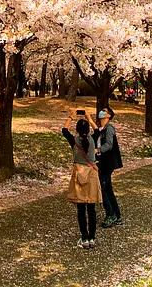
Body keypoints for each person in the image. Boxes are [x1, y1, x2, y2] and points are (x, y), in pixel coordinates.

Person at [61, 112, 101, 249]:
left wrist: (71, 116)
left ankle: (84, 237)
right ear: (88, 129)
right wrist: (89, 118)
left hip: (79, 174)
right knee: (91, 209)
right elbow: (97, 130)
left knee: (81, 209)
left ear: (77, 130)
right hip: (92, 175)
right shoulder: (93, 139)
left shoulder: (74, 141)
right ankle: (92, 238)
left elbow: (64, 130)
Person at [94, 107, 123, 227]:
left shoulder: (109, 128)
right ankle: (117, 215)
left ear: (108, 115)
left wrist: (98, 150)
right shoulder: (101, 129)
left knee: (104, 189)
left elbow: (109, 145)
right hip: (103, 162)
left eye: (104, 111)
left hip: (107, 163)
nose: (102, 112)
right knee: (108, 189)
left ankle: (111, 215)